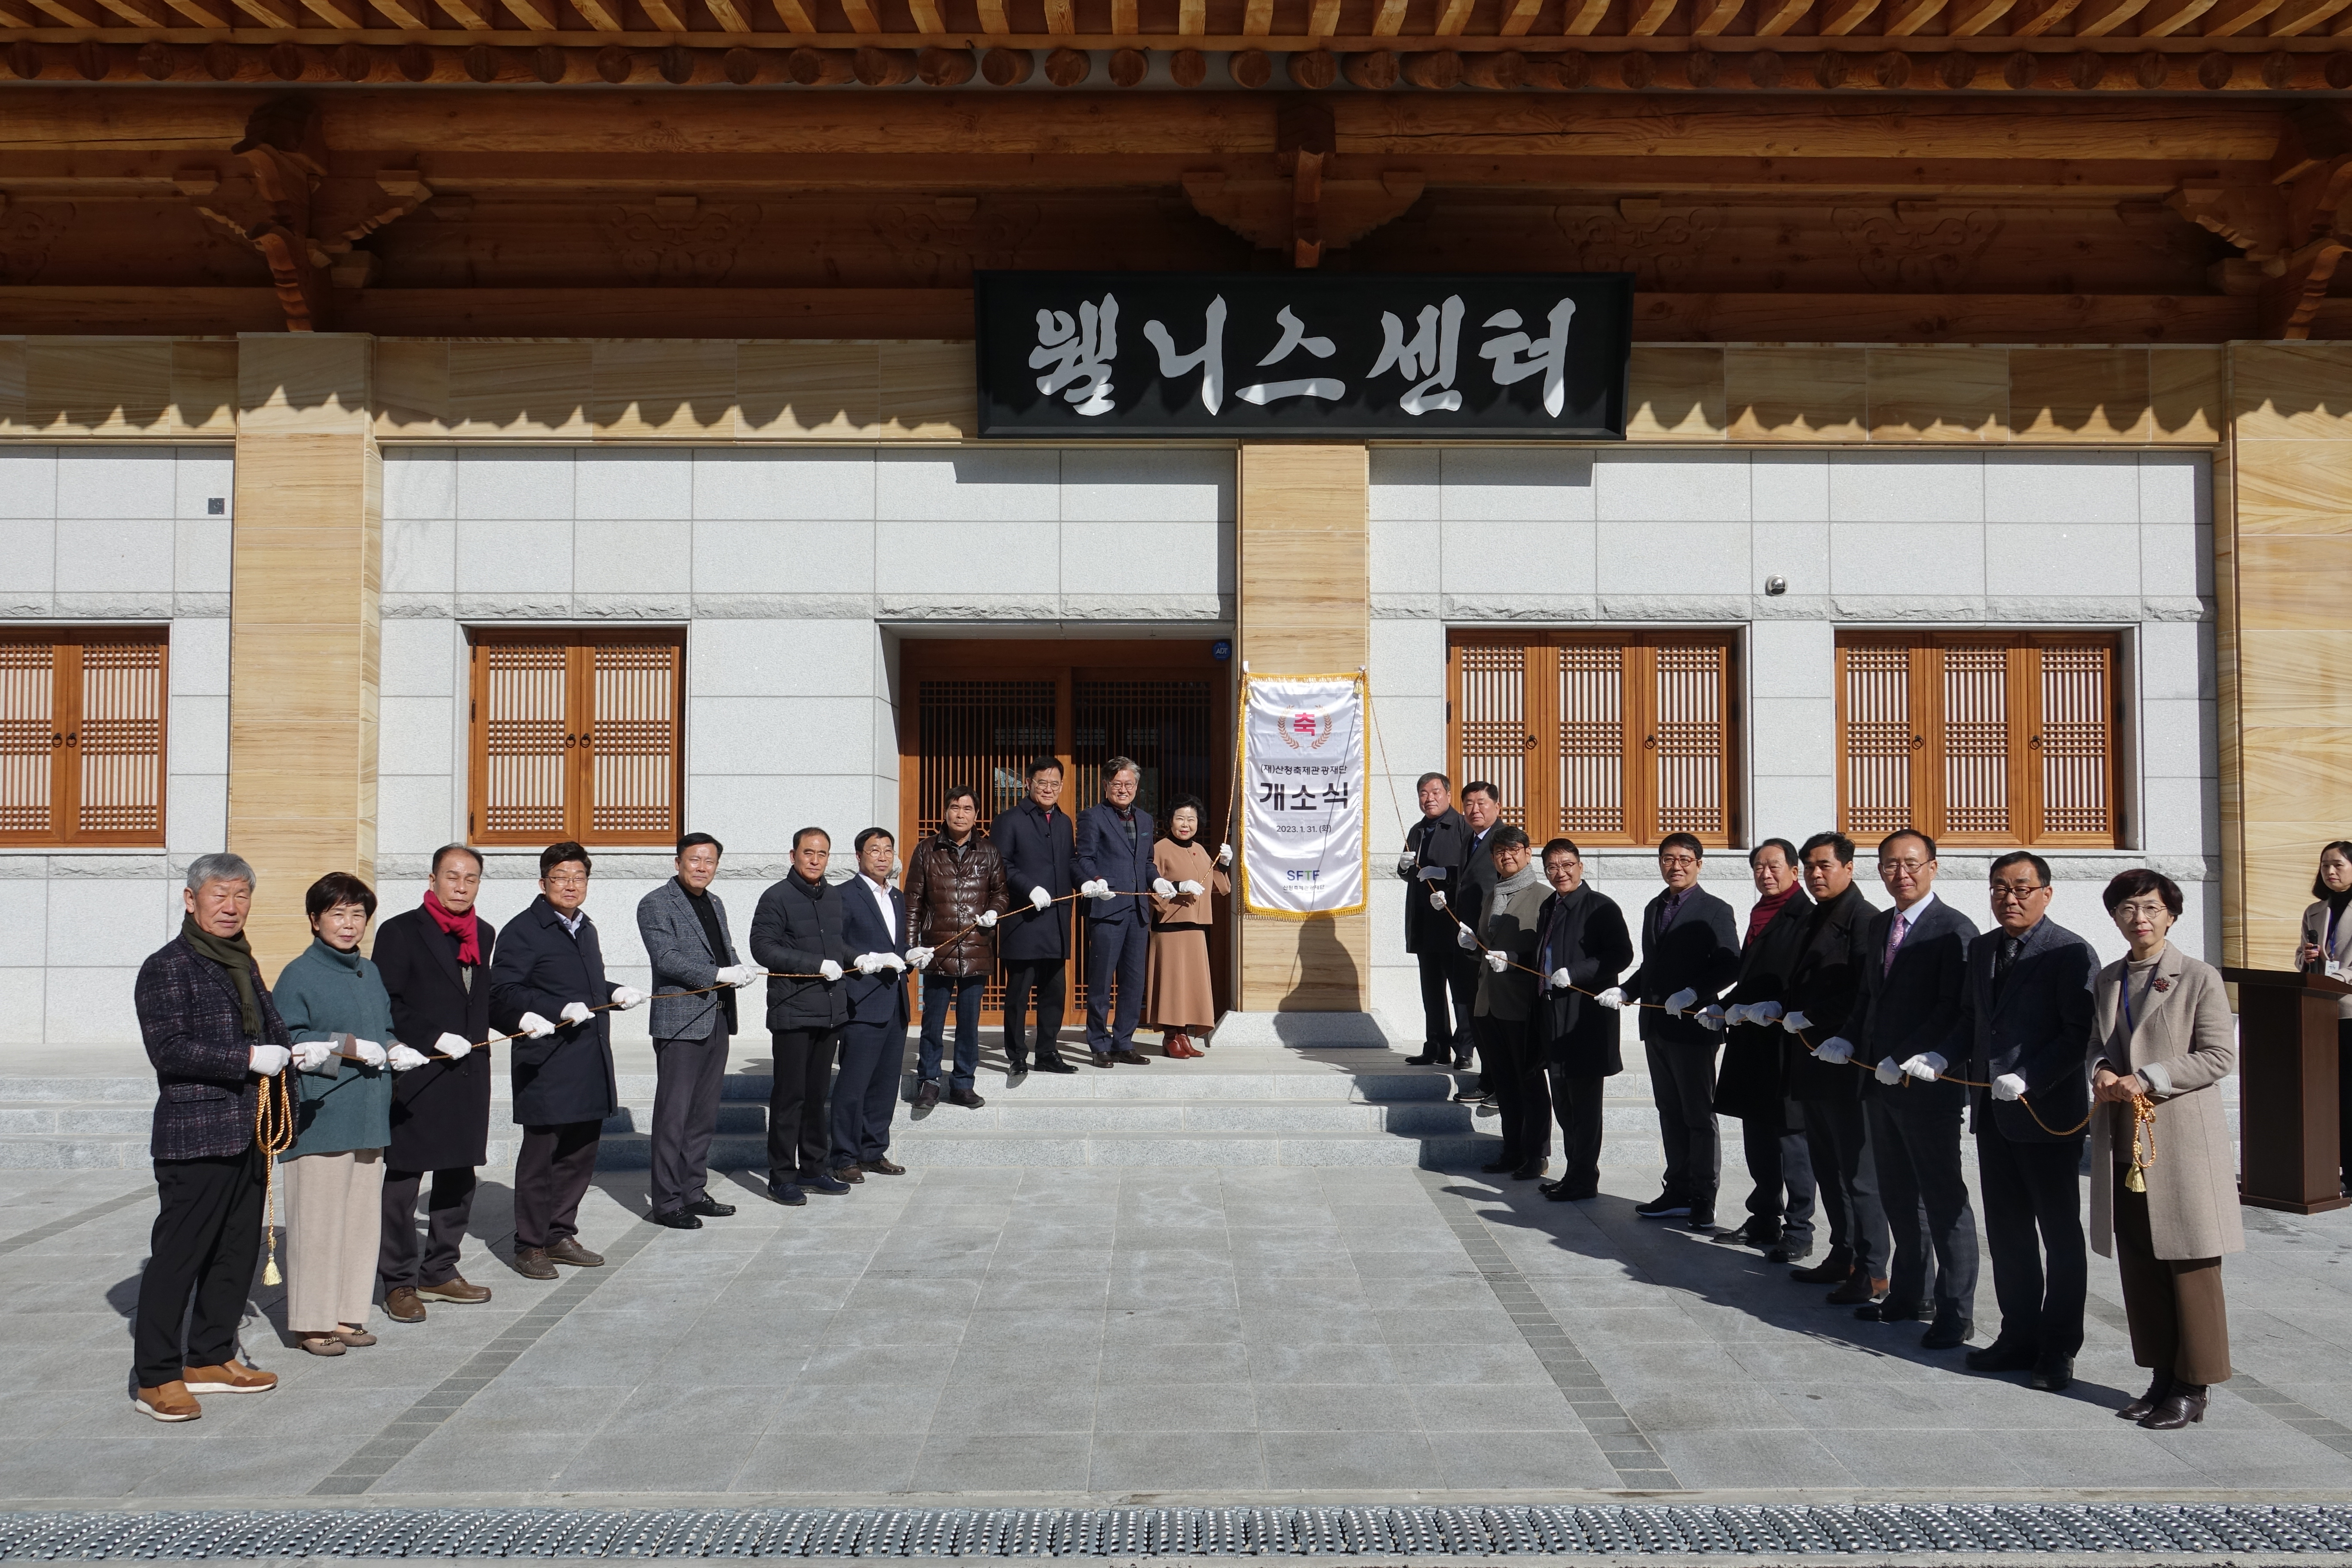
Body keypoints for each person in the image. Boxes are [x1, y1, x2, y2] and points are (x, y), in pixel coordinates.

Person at [128, 852, 289, 1421]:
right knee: (179, 1257)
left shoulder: (242, 961)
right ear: (191, 899)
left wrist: (298, 1051)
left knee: (235, 1252)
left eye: (242, 895)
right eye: (219, 895)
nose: (232, 906)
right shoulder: (168, 967)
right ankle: (156, 1376)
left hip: (248, 1133)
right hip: (195, 1134)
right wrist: (248, 1058)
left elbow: (272, 1031)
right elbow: (169, 1051)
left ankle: (211, 1356)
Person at [2091, 867, 2242, 1430]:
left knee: (2190, 1263)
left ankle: (2192, 1385)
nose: (2141, 918)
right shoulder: (2108, 980)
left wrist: (2148, 1077)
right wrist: (2103, 1070)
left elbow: (2218, 1056)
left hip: (2180, 1142)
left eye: (2151, 908)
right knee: (2142, 1261)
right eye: (2129, 909)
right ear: (2116, 917)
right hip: (2127, 1142)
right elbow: (2095, 1045)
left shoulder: (2197, 977)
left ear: (2171, 914)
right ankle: (2159, 1376)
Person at [1948, 851, 2097, 1393]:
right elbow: (1971, 1021)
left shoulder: (2069, 951)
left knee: (2059, 1236)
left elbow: (2077, 1034)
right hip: (1993, 1113)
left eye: (2021, 888)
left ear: (2047, 893)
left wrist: (2031, 1076)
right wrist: (1943, 1057)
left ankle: (2058, 1348)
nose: (2009, 898)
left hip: (2047, 1115)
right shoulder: (1983, 947)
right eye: (1999, 888)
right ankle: (2018, 1335)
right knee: (2008, 1233)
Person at [1844, 829, 1980, 1348]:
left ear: (1933, 867)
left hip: (1928, 1086)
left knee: (1943, 1200)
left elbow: (1955, 1008)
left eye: (1911, 864)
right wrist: (1846, 1039)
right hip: (1880, 1084)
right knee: (1898, 1195)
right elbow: (1870, 999)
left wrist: (1913, 1056)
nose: (1901, 874)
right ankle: (1909, 1292)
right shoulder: (1882, 925)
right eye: (1890, 866)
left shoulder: (1954, 930)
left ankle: (1955, 1309)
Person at [490, 841, 648, 1279]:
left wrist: (613, 991)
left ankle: (560, 1232)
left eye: (578, 877)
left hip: (588, 1058)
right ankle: (529, 1244)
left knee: (580, 1154)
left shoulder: (586, 928)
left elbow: (585, 984)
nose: (571, 885)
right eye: (561, 877)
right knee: (542, 1156)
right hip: (547, 1061)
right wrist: (557, 1009)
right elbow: (503, 993)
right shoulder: (523, 930)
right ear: (543, 883)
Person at [273, 873, 411, 1357]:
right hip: (322, 1118)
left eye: (358, 914)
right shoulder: (298, 974)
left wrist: (395, 1049)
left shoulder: (368, 971)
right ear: (314, 920)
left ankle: (348, 1313)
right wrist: (349, 1047)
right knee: (318, 1224)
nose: (349, 924)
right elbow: (290, 1042)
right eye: (337, 913)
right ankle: (312, 1322)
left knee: (358, 1222)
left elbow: (385, 1027)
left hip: (369, 1115)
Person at [373, 845, 499, 1326]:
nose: (461, 885)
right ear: (433, 879)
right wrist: (431, 1037)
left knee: (459, 1177)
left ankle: (440, 1269)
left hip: (468, 1074)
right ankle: (398, 1282)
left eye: (471, 878)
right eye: (452, 876)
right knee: (404, 1183)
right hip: (420, 1072)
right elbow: (387, 1002)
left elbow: (483, 1001)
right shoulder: (401, 931)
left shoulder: (483, 934)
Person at [1600, 832, 1738, 1229]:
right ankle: (1676, 1188)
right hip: (1657, 1025)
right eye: (1667, 859)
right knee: (1669, 1113)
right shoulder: (1653, 907)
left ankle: (1702, 1197)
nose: (1675, 866)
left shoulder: (1715, 909)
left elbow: (1730, 964)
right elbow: (1653, 966)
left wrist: (1696, 993)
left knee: (1697, 1115)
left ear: (1698, 863)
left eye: (1683, 859)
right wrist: (1627, 989)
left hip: (1694, 1028)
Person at [1780, 832, 1888, 1294]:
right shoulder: (1813, 916)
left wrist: (1816, 1017)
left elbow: (1863, 991)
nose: (1815, 874)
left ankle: (1873, 1267)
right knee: (1827, 1166)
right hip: (1811, 1060)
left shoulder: (1865, 920)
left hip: (1846, 1061)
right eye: (1809, 866)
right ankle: (1842, 1253)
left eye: (1824, 865)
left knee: (1858, 1174)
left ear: (1849, 867)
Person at [637, 832, 761, 1230]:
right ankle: (668, 1200)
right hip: (680, 1021)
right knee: (674, 1115)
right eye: (695, 860)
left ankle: (693, 1189)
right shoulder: (656, 903)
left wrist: (739, 967)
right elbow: (668, 958)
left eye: (710, 861)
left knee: (704, 1115)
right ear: (678, 862)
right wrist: (717, 974)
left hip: (718, 1017)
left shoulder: (716, 903)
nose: (702, 867)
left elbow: (722, 950)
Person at [1712, 839, 1817, 1257]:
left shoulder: (1806, 917)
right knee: (1757, 1136)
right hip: (1751, 1042)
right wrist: (1723, 1005)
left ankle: (1800, 1230)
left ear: (1794, 870)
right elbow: (1752, 977)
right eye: (1758, 867)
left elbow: (1807, 981)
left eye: (1774, 866)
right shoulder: (1760, 913)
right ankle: (1764, 1218)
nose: (1765, 874)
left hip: (1786, 1045)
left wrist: (1779, 1007)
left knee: (1792, 1143)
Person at [750, 827, 854, 1205]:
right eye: (808, 853)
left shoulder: (832, 897)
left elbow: (836, 945)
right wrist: (816, 965)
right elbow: (763, 947)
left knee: (816, 1096)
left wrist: (858, 958)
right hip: (792, 1010)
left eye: (822, 854)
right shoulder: (775, 897)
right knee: (790, 1097)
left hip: (829, 1011)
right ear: (792, 855)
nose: (815, 860)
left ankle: (814, 1168)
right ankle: (781, 1176)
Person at [1531, 838, 1633, 1202]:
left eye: (1568, 864)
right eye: (1553, 867)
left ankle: (1584, 1179)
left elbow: (1621, 954)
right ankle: (1574, 1173)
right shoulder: (1548, 906)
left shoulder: (1600, 907)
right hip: (1552, 1014)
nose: (1561, 873)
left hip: (1584, 1017)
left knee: (1585, 1105)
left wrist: (1575, 973)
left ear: (1581, 866)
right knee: (1563, 1101)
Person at [904, 785, 1009, 1109]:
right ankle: (929, 1081)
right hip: (938, 949)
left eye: (967, 809)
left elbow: (1002, 892)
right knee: (933, 1022)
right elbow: (913, 903)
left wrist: (996, 911)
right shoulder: (926, 850)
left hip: (977, 948)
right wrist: (910, 947)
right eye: (955, 808)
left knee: (968, 1024)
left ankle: (963, 1083)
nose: (960, 814)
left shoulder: (989, 851)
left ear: (976, 815)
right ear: (945, 812)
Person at [1468, 825, 1553, 1179]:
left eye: (1514, 850)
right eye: (1500, 852)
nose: (1507, 856)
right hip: (1488, 1002)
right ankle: (1511, 1149)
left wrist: (1514, 955)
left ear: (1529, 854)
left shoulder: (1544, 896)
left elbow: (1548, 952)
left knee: (1529, 1082)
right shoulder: (1492, 894)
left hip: (1520, 1004)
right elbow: (1489, 948)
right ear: (1492, 858)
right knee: (1504, 1082)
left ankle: (1537, 1154)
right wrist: (1474, 945)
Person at [832, 826, 913, 1182]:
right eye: (874, 850)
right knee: (854, 1084)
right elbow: (835, 943)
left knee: (885, 1083)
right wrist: (864, 958)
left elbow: (898, 944)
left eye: (888, 851)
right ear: (859, 856)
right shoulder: (843, 895)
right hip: (861, 1001)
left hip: (895, 1000)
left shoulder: (898, 897)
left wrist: (913, 954)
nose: (882, 857)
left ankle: (873, 1150)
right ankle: (845, 1155)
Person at [992, 756, 1078, 1076]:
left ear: (1062, 786)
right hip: (1024, 919)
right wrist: (1030, 888)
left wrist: (1090, 881)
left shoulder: (1066, 821)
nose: (1049, 789)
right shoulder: (1009, 819)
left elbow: (1070, 863)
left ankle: (1047, 1052)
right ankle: (1016, 1055)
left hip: (1056, 919)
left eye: (1055, 784)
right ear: (1028, 784)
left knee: (1054, 992)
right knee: (1019, 993)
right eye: (1042, 783)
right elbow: (1001, 864)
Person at [1076, 756, 1157, 1068]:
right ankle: (1099, 1043)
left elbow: (1147, 863)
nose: (1123, 789)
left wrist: (1159, 881)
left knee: (1134, 982)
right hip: (1107, 908)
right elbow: (1084, 857)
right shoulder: (1092, 817)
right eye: (1117, 784)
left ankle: (1124, 1041)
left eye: (1129, 784)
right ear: (1106, 785)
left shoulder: (1146, 820)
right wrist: (1096, 880)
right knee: (1101, 980)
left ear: (1137, 786)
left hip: (1138, 910)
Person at [1398, 772, 1476, 1069]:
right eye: (1423, 794)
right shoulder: (1418, 830)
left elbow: (1473, 873)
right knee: (1431, 991)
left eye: (1434, 792)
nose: (1429, 799)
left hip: (1453, 923)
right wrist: (1404, 866)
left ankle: (1465, 1048)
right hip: (1424, 924)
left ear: (1447, 794)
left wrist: (1446, 877)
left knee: (1460, 991)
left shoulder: (1462, 827)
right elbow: (1408, 873)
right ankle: (1437, 1046)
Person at [1145, 793, 1231, 1058]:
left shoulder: (1201, 850)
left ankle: (1184, 1035)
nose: (1186, 824)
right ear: (1169, 821)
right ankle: (1171, 1038)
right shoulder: (1159, 848)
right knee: (1172, 984)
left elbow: (1215, 887)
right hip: (1170, 927)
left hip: (1195, 927)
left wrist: (1225, 865)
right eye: (1180, 818)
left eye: (1191, 819)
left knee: (1190, 985)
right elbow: (1150, 888)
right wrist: (1177, 888)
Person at [1442, 781, 1507, 1103]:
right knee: (1474, 1015)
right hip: (1467, 944)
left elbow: (1511, 889)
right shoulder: (1470, 838)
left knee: (1492, 1018)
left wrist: (1493, 937)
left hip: (1492, 946)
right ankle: (1488, 1078)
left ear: (1497, 806)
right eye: (1468, 804)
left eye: (1482, 803)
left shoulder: (1504, 840)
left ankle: (1498, 1083)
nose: (1475, 810)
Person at [2295, 840, 2352, 1192]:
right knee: (2332, 1096)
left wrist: (2339, 979)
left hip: (2349, 1008)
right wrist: (2307, 956)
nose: (2330, 872)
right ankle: (2337, 1168)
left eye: (2338, 866)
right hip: (2321, 1013)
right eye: (2325, 866)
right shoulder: (2314, 911)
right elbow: (2302, 959)